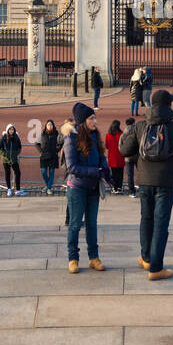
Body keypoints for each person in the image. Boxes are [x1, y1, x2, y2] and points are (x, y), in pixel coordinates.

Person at [119, 89, 173, 279]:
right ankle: (156, 268)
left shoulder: (140, 126)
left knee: (146, 219)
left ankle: (146, 258)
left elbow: (124, 150)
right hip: (166, 181)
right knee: (161, 224)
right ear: (168, 106)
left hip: (144, 181)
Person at [62, 102, 110, 274]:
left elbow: (101, 155)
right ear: (83, 121)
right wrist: (95, 172)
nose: (95, 121)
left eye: (95, 118)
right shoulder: (71, 139)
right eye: (91, 118)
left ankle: (94, 257)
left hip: (93, 187)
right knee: (75, 224)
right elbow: (72, 167)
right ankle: (73, 259)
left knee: (92, 224)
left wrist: (105, 169)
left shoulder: (95, 135)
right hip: (77, 188)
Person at [0, 123, 23, 195]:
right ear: (7, 130)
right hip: (5, 160)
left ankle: (18, 190)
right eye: (10, 129)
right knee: (7, 174)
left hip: (14, 159)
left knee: (18, 173)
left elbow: (19, 147)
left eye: (12, 129)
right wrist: (4, 154)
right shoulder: (4, 137)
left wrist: (15, 154)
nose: (11, 131)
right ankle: (9, 189)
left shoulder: (16, 137)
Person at [38, 119, 62, 194]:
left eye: (51, 124)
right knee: (44, 172)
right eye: (48, 124)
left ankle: (49, 188)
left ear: (53, 125)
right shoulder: (42, 134)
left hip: (53, 156)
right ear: (46, 126)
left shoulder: (56, 133)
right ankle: (48, 186)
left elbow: (61, 142)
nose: (49, 126)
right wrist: (41, 151)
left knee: (51, 173)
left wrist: (57, 150)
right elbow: (36, 143)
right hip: (44, 156)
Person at [103, 120, 124, 193]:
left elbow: (106, 146)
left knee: (114, 173)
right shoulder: (121, 134)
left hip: (112, 156)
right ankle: (119, 188)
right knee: (120, 173)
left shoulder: (108, 135)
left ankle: (115, 188)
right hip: (120, 156)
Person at [124, 116, 139, 197]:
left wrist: (124, 153)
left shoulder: (124, 133)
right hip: (137, 156)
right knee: (141, 172)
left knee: (130, 175)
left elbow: (120, 144)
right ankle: (142, 188)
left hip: (128, 157)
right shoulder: (137, 131)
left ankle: (131, 191)